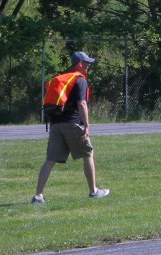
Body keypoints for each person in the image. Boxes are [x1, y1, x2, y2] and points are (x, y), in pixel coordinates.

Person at [32, 51, 110, 202]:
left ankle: (38, 196)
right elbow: (82, 103)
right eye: (86, 63)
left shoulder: (64, 79)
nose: (88, 66)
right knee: (88, 154)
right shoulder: (80, 80)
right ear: (79, 64)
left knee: (50, 159)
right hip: (72, 123)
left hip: (56, 124)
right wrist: (86, 126)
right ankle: (94, 191)